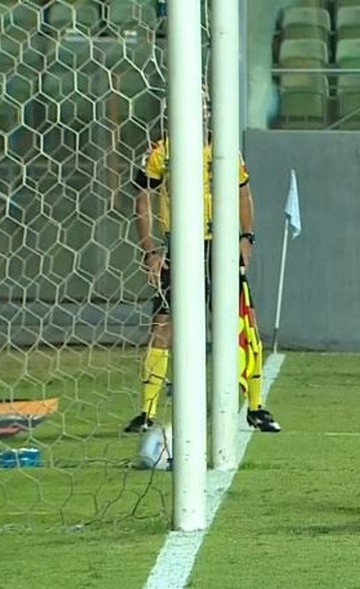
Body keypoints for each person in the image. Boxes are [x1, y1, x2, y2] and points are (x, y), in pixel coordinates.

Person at [124, 97, 281, 434]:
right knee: (164, 324)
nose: (199, 110)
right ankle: (147, 413)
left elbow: (244, 194)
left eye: (204, 104)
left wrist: (246, 237)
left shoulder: (225, 152)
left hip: (220, 247)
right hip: (178, 247)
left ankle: (255, 406)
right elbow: (142, 200)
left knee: (240, 322)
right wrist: (151, 249)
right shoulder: (161, 153)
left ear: (209, 111)